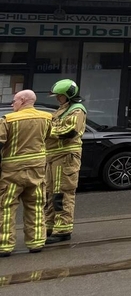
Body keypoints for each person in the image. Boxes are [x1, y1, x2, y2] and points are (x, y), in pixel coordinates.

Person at [0, 90, 51, 256]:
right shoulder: (46, 117)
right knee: (36, 206)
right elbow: (48, 138)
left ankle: (4, 246)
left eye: (14, 101)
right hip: (37, 170)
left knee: (6, 207)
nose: (12, 104)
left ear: (22, 100)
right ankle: (36, 242)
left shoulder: (8, 120)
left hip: (11, 172)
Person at [44, 79, 87, 244]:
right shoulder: (63, 109)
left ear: (68, 95)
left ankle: (63, 229)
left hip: (66, 156)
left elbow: (70, 131)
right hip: (53, 156)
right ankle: (50, 225)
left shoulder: (77, 110)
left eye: (60, 96)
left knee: (62, 193)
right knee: (50, 192)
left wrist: (47, 131)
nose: (57, 98)